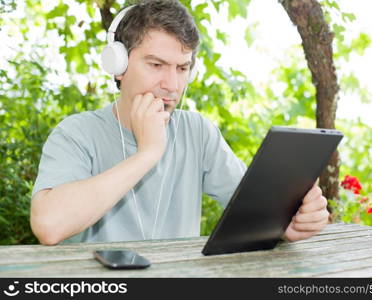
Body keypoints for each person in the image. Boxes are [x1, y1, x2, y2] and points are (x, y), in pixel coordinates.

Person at [30, 0, 329, 245]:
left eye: (182, 68)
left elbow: (258, 213)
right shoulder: (76, 133)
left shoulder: (197, 132)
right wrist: (147, 153)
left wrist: (290, 222)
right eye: (156, 65)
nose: (172, 85)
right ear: (118, 65)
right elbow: (48, 226)